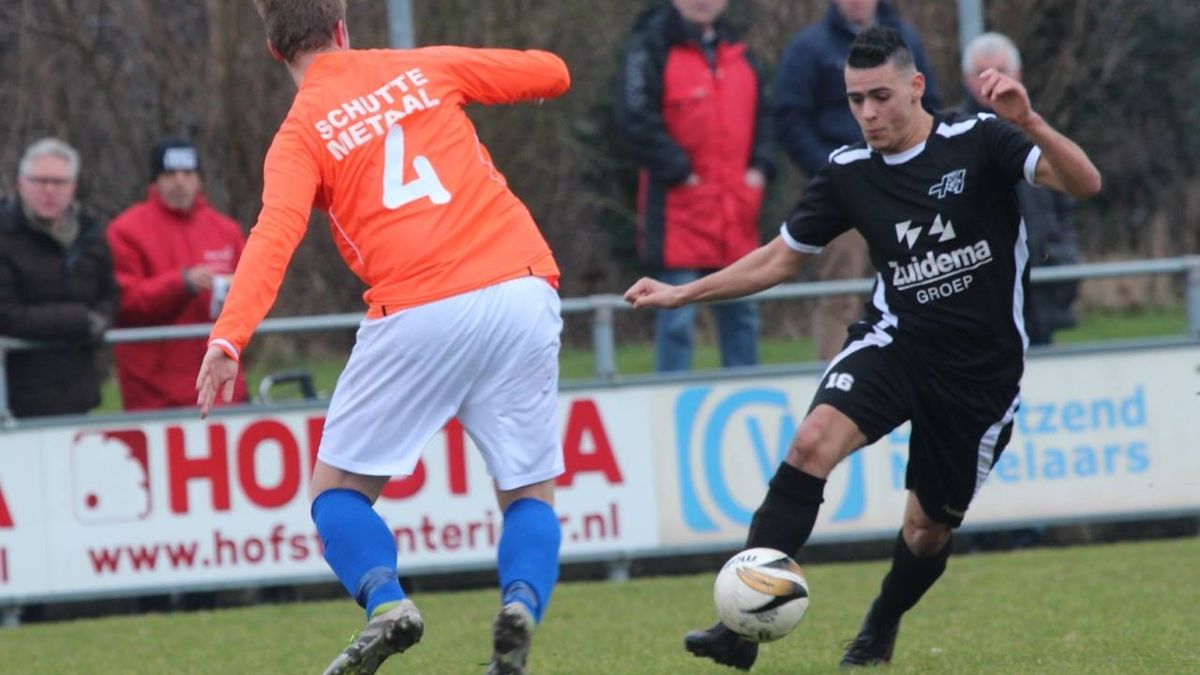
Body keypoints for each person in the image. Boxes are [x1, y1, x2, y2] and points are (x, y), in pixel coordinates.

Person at [625, 27, 1100, 669]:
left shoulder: (981, 139)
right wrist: (683, 294)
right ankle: (738, 629)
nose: (868, 113)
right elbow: (779, 259)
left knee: (926, 531)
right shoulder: (849, 172)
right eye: (856, 100)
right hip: (895, 343)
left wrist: (1031, 122)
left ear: (916, 86)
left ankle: (881, 623)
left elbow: (1084, 183)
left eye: (881, 96)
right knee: (810, 442)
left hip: (980, 374)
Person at [194, 2, 570, 674]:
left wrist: (229, 338)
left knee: (335, 490)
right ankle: (520, 604)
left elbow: (273, 236)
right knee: (528, 491)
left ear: (276, 51)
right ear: (342, 28)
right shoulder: (424, 67)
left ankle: (388, 602)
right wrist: (476, 77)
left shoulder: (301, 131)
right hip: (521, 282)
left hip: (419, 306)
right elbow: (552, 73)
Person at [774, 0, 942, 360]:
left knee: (926, 281)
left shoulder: (905, 40)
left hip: (905, 188)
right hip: (845, 196)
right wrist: (835, 173)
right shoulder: (810, 47)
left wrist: (918, 166)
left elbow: (930, 106)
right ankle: (837, 374)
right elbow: (790, 119)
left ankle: (925, 365)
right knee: (841, 292)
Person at [614, 0, 774, 372]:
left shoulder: (741, 52)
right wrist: (679, 171)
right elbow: (634, 119)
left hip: (735, 211)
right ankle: (670, 402)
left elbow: (768, 118)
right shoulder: (649, 48)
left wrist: (761, 168)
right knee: (676, 323)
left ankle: (747, 396)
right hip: (678, 213)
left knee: (743, 316)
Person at [106, 138, 249, 411]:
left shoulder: (226, 231)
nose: (180, 181)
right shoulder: (125, 231)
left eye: (188, 173)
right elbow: (123, 303)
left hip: (221, 390)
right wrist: (180, 284)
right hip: (154, 395)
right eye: (169, 173)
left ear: (200, 180)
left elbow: (255, 295)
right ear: (155, 181)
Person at [960, 32, 1079, 345]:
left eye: (1001, 70)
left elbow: (1068, 201)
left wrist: (1062, 253)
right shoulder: (949, 137)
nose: (992, 81)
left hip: (1040, 282)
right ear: (966, 79)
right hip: (980, 288)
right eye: (981, 73)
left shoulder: (1040, 131)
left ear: (1018, 73)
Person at [0, 138, 119, 419]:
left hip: (79, 392)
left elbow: (110, 295)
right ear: (21, 184)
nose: (49, 190)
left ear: (73, 187)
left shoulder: (91, 235)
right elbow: (6, 315)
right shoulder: (5, 236)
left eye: (59, 182)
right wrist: (81, 320)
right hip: (14, 399)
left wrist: (101, 319)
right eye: (40, 181)